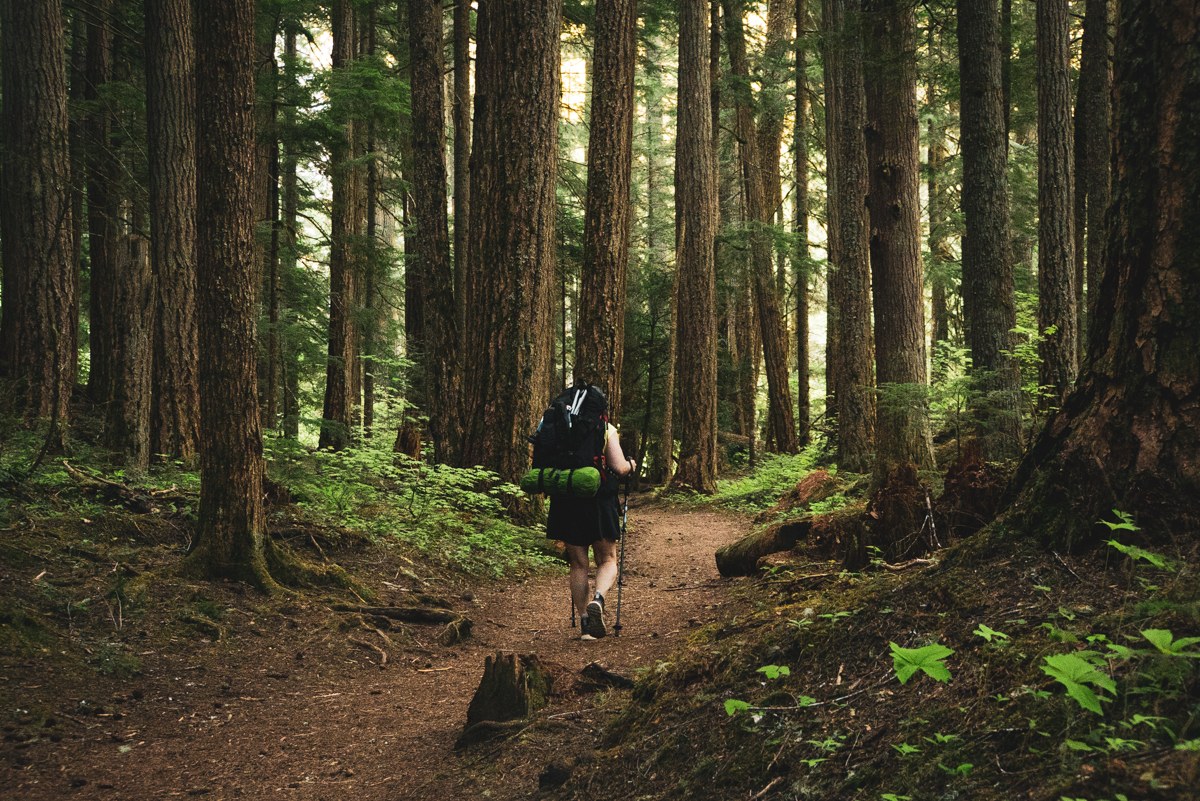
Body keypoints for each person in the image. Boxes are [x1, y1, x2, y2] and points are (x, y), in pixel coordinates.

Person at [545, 415, 636, 640]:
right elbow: (619, 467)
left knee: (578, 564)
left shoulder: (557, 426)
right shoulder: (605, 428)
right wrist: (631, 465)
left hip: (565, 500)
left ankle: (586, 623)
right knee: (607, 559)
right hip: (599, 500)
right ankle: (598, 599)